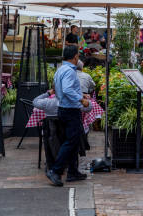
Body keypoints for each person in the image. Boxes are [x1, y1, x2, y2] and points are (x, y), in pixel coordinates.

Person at [45, 45, 90, 187]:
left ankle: (72, 171)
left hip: (63, 108)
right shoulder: (70, 71)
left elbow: (60, 89)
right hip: (70, 111)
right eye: (78, 56)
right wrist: (81, 99)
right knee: (71, 142)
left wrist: (79, 94)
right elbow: (67, 89)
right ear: (75, 56)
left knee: (73, 142)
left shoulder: (60, 69)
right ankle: (55, 170)